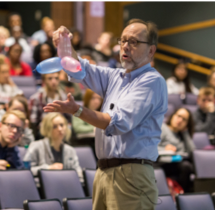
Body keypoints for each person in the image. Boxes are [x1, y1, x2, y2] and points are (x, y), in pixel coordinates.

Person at [45, 19, 168, 210]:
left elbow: (116, 123)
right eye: (123, 40)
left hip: (131, 175)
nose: (126, 46)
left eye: (134, 42)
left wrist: (77, 110)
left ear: (151, 51)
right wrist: (65, 46)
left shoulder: (151, 81)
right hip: (103, 172)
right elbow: (80, 69)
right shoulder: (116, 77)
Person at [24, 113, 83, 180]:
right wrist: (48, 168)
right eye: (54, 126)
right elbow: (26, 170)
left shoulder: (70, 150)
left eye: (62, 125)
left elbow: (78, 172)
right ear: (47, 129)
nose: (60, 129)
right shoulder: (36, 146)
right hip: (44, 186)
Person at [158, 108, 195, 192]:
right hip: (161, 162)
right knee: (186, 166)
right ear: (172, 116)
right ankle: (181, 195)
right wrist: (165, 149)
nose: (180, 120)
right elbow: (150, 147)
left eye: (184, 119)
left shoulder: (181, 136)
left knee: (188, 166)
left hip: (176, 163)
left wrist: (185, 132)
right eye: (179, 116)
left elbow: (193, 153)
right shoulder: (162, 128)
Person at [29, 72, 69, 140]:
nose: (54, 81)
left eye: (56, 78)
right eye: (50, 78)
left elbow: (68, 119)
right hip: (43, 133)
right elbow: (33, 122)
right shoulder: (37, 98)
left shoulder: (64, 97)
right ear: (44, 81)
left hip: (61, 130)